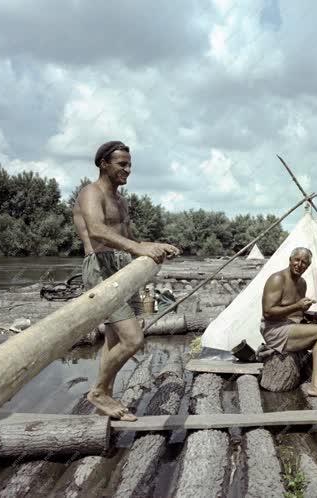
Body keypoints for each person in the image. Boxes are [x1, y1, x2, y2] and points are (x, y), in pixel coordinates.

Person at [73, 140, 180, 421]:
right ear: (103, 164)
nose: (128, 170)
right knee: (133, 339)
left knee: (113, 339)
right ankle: (98, 391)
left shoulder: (121, 200)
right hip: (101, 267)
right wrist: (138, 249)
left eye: (129, 164)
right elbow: (96, 230)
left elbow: (131, 240)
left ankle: (104, 395)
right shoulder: (90, 193)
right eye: (122, 164)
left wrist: (155, 244)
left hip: (124, 267)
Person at [261, 247, 317, 402]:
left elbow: (295, 314)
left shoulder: (302, 283)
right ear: (290, 260)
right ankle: (316, 386)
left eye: (304, 262)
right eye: (297, 260)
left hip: (290, 327)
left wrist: (307, 316)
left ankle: (309, 369)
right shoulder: (278, 279)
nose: (299, 264)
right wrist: (298, 306)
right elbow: (267, 312)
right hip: (274, 330)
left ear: (308, 265)